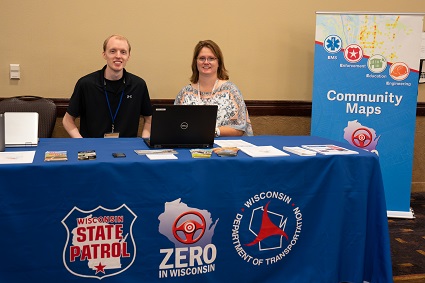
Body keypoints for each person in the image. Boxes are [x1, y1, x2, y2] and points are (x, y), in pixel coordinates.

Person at [63, 34, 152, 138]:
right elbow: (67, 120)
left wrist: (143, 142)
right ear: (104, 54)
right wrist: (82, 143)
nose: (118, 56)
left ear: (128, 56)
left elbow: (149, 120)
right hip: (93, 148)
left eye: (123, 52)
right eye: (113, 51)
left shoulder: (139, 85)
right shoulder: (86, 84)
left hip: (127, 149)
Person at [174, 40, 253, 137]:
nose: (206, 62)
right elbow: (175, 127)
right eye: (202, 58)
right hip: (191, 147)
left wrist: (212, 131)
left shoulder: (231, 91)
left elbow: (240, 128)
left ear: (219, 62)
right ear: (196, 62)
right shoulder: (184, 93)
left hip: (225, 147)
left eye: (211, 58)